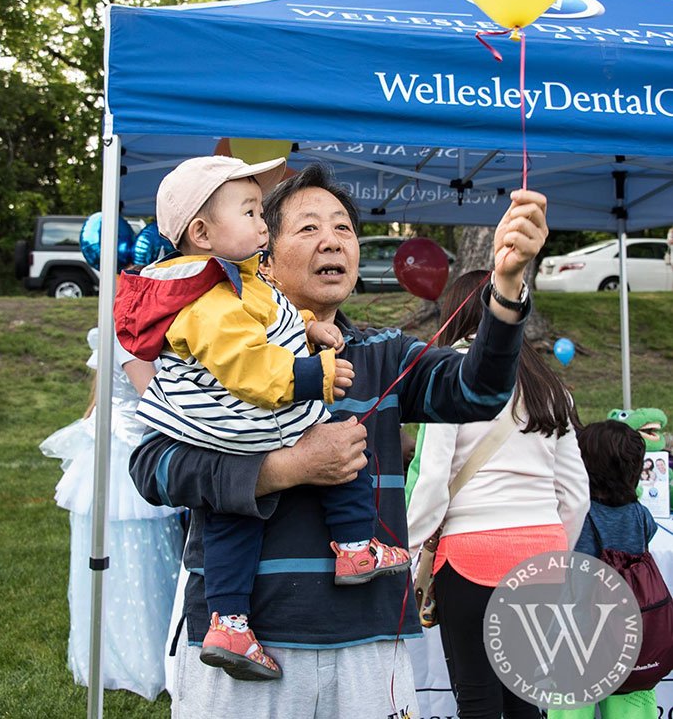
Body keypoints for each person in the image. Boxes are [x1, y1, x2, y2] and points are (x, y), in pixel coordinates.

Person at [129, 163, 549, 719]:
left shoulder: (385, 354)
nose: (331, 240)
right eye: (307, 228)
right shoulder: (214, 351)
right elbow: (152, 467)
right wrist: (285, 467)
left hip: (370, 643)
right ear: (264, 256)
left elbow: (478, 392)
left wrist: (507, 286)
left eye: (343, 228)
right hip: (245, 648)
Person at [115, 154, 410, 681]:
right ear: (203, 232)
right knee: (336, 446)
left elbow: (267, 312)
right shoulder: (208, 300)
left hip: (234, 428)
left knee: (241, 516)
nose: (261, 227)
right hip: (239, 419)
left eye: (343, 226)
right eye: (252, 213)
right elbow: (251, 362)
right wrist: (312, 379)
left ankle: (231, 624)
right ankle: (355, 547)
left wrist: (308, 326)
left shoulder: (236, 281)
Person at [406, 269, 590, 719]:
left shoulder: (449, 372)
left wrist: (409, 556)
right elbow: (576, 493)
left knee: (476, 698)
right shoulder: (551, 387)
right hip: (542, 557)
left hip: (471, 555)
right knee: (527, 697)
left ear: (457, 315)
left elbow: (431, 481)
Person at [40, 329, 184, 700]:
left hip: (141, 449)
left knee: (151, 560)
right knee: (130, 561)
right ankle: (138, 659)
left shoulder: (149, 330)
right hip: (124, 456)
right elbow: (156, 397)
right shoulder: (127, 335)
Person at [547, 420, 659, 719]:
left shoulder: (573, 516)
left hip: (576, 639)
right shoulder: (641, 515)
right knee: (633, 711)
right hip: (628, 637)